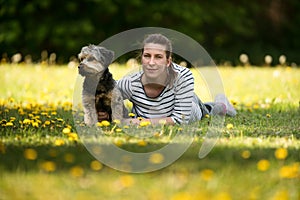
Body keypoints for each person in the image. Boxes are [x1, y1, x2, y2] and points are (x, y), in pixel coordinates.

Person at [98, 33, 236, 125]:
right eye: (147, 56)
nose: (151, 62)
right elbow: (107, 99)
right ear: (142, 58)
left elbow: (180, 120)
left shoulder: (183, 76)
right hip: (156, 113)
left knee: (212, 110)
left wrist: (141, 123)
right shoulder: (130, 83)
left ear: (168, 61)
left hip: (189, 108)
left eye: (158, 57)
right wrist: (105, 115)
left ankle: (222, 103)